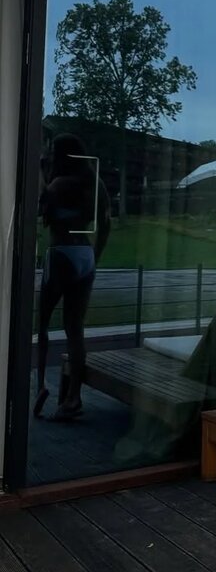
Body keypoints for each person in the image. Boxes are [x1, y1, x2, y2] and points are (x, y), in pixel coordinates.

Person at [34, 133, 110, 421]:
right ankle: (73, 397)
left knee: (42, 323)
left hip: (61, 252)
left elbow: (40, 206)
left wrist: (39, 169)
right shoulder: (96, 183)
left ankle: (40, 385)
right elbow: (106, 223)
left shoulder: (58, 183)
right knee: (74, 329)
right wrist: (95, 257)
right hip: (85, 255)